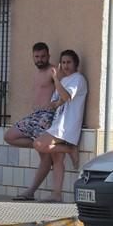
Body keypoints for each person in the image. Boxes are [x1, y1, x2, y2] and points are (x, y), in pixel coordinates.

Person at [4, 42, 58, 201]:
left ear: (48, 55)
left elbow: (63, 92)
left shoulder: (53, 71)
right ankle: (41, 145)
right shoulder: (36, 73)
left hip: (46, 116)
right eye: (37, 57)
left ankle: (30, 192)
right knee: (9, 136)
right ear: (33, 57)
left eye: (42, 56)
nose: (40, 59)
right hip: (34, 115)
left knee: (45, 159)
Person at [33, 49, 87, 202]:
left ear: (76, 63)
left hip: (66, 126)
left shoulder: (78, 79)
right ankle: (57, 194)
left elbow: (66, 96)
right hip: (58, 123)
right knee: (57, 159)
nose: (65, 65)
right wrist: (53, 104)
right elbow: (58, 101)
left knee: (38, 144)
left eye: (68, 62)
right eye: (63, 62)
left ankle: (70, 148)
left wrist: (55, 78)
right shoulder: (64, 81)